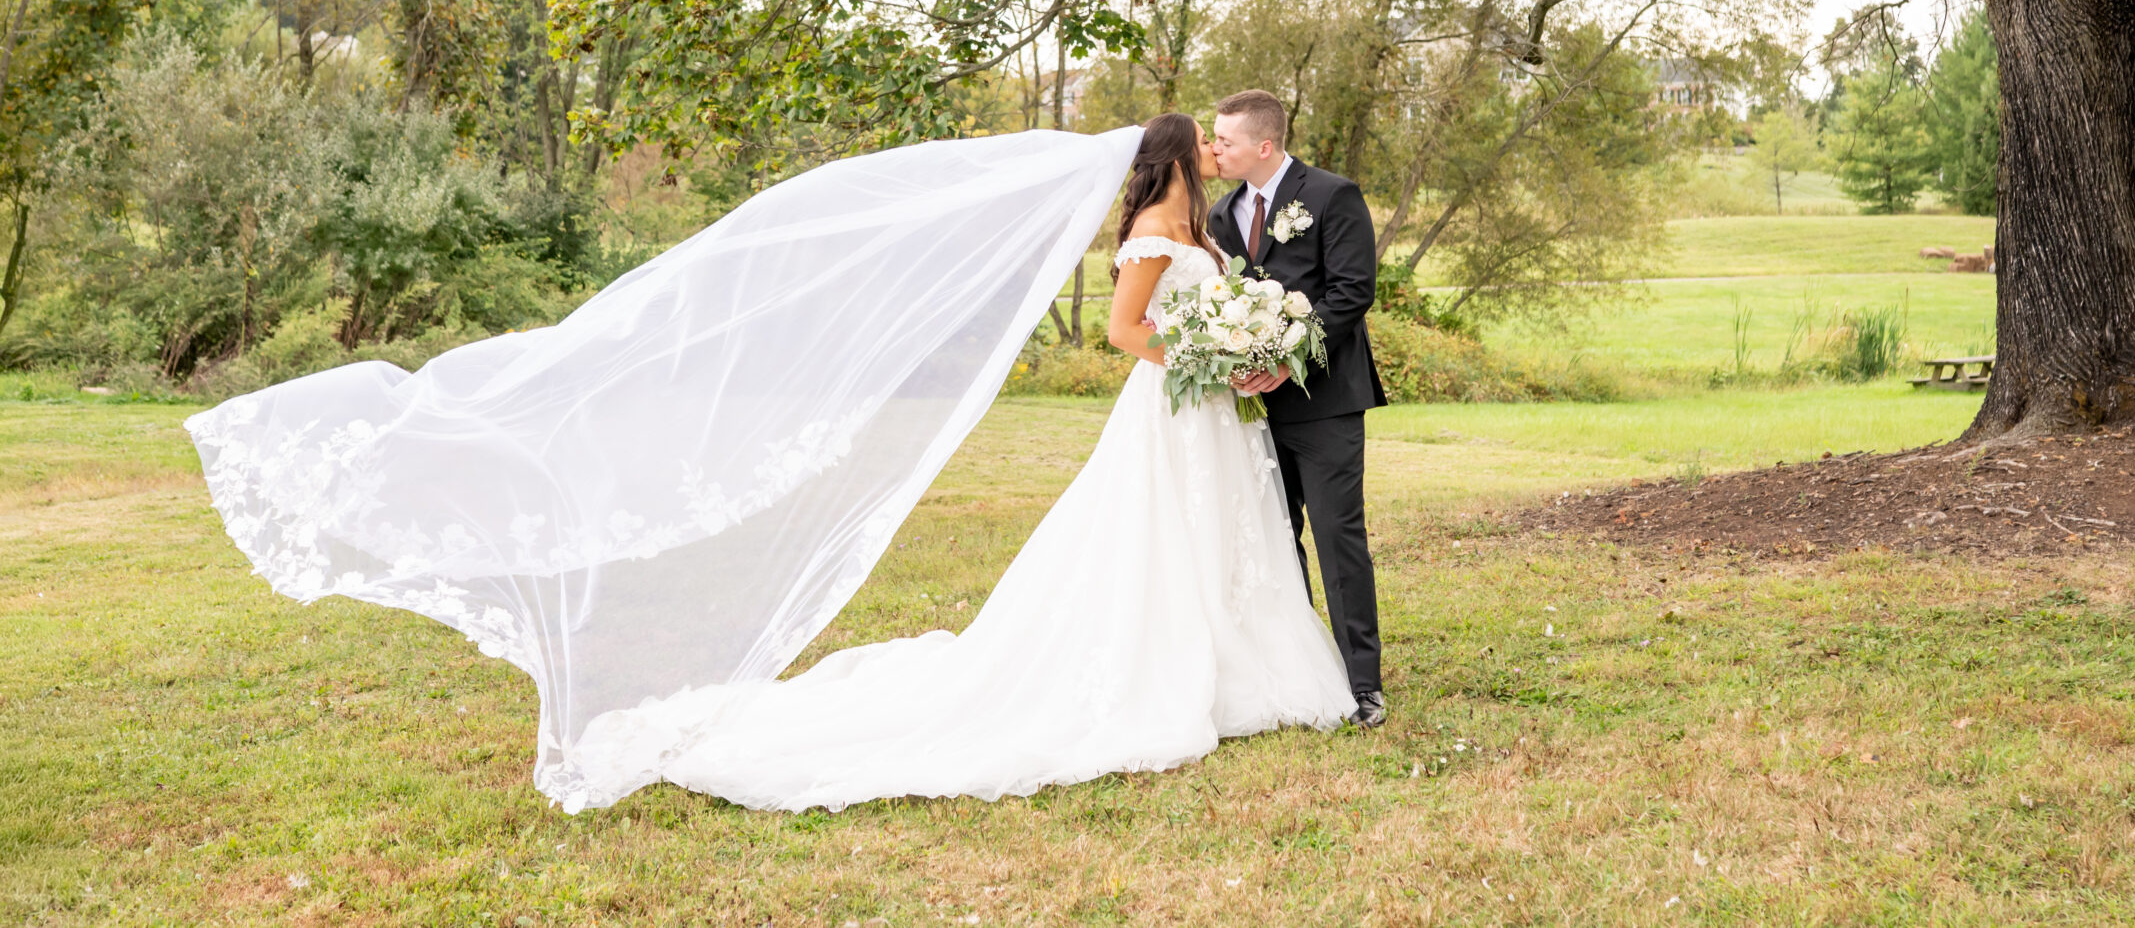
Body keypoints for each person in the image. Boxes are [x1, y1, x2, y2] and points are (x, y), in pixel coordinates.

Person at [189, 116, 1356, 814]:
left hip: (1210, 416)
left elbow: (1209, 310)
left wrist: (1245, 353)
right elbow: (1123, 338)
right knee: (1151, 548)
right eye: (1200, 151)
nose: (1212, 157)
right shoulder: (1156, 235)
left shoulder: (1203, 234)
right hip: (1169, 414)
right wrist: (1205, 360)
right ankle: (1168, 671)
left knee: (1223, 543)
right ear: (1176, 167)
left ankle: (1237, 667)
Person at [1203, 90, 1387, 728]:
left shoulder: (1334, 195)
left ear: (1264, 144)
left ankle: (1364, 684)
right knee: (1275, 542)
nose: (1214, 148)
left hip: (1326, 400)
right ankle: (1304, 673)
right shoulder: (1223, 213)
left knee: (1339, 540)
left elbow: (1351, 291)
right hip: (1249, 411)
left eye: (1223, 140)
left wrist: (1288, 360)